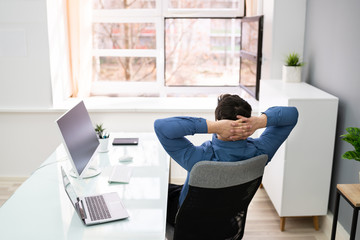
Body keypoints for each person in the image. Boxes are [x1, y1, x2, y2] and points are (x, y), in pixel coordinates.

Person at [154, 94, 298, 226]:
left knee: (157, 192)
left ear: (218, 121)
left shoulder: (200, 160)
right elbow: (292, 114)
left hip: (188, 222)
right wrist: (260, 121)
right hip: (226, 222)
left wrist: (213, 127)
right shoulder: (262, 152)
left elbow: (161, 126)